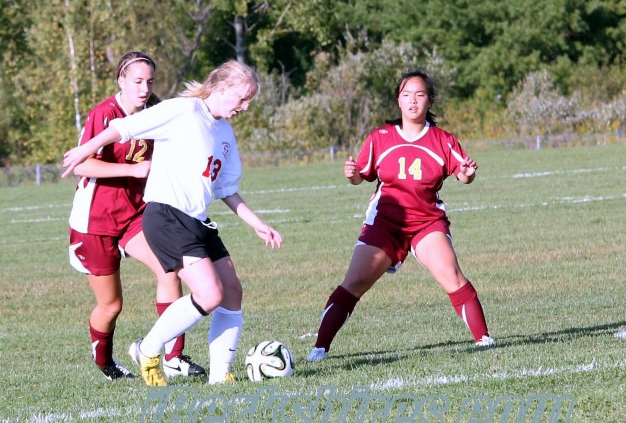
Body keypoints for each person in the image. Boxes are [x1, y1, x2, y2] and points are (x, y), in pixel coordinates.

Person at [62, 59, 283, 386]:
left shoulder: (224, 131)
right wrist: (88, 148)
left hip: (197, 219)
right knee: (209, 294)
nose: (246, 106)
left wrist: (256, 223)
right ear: (223, 88)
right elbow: (125, 127)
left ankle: (219, 377)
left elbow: (226, 189)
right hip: (166, 216)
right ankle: (147, 349)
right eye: (243, 98)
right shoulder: (184, 110)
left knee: (232, 291)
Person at [306, 69, 495, 362]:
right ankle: (319, 349)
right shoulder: (380, 137)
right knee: (354, 283)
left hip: (426, 222)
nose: (413, 101)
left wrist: (468, 173)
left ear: (429, 100)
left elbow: (463, 175)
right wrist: (352, 174)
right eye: (406, 95)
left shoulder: (443, 140)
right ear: (398, 100)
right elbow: (361, 176)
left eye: (420, 95)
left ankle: (484, 340)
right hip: (385, 223)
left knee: (451, 274)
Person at [68, 51, 205, 380]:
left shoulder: (155, 114)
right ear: (121, 81)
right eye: (137, 81)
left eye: (150, 82)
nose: (144, 89)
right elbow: (80, 165)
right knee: (111, 305)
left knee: (169, 271)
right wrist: (133, 169)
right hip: (95, 222)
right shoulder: (104, 113)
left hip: (136, 216)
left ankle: (172, 356)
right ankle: (105, 363)